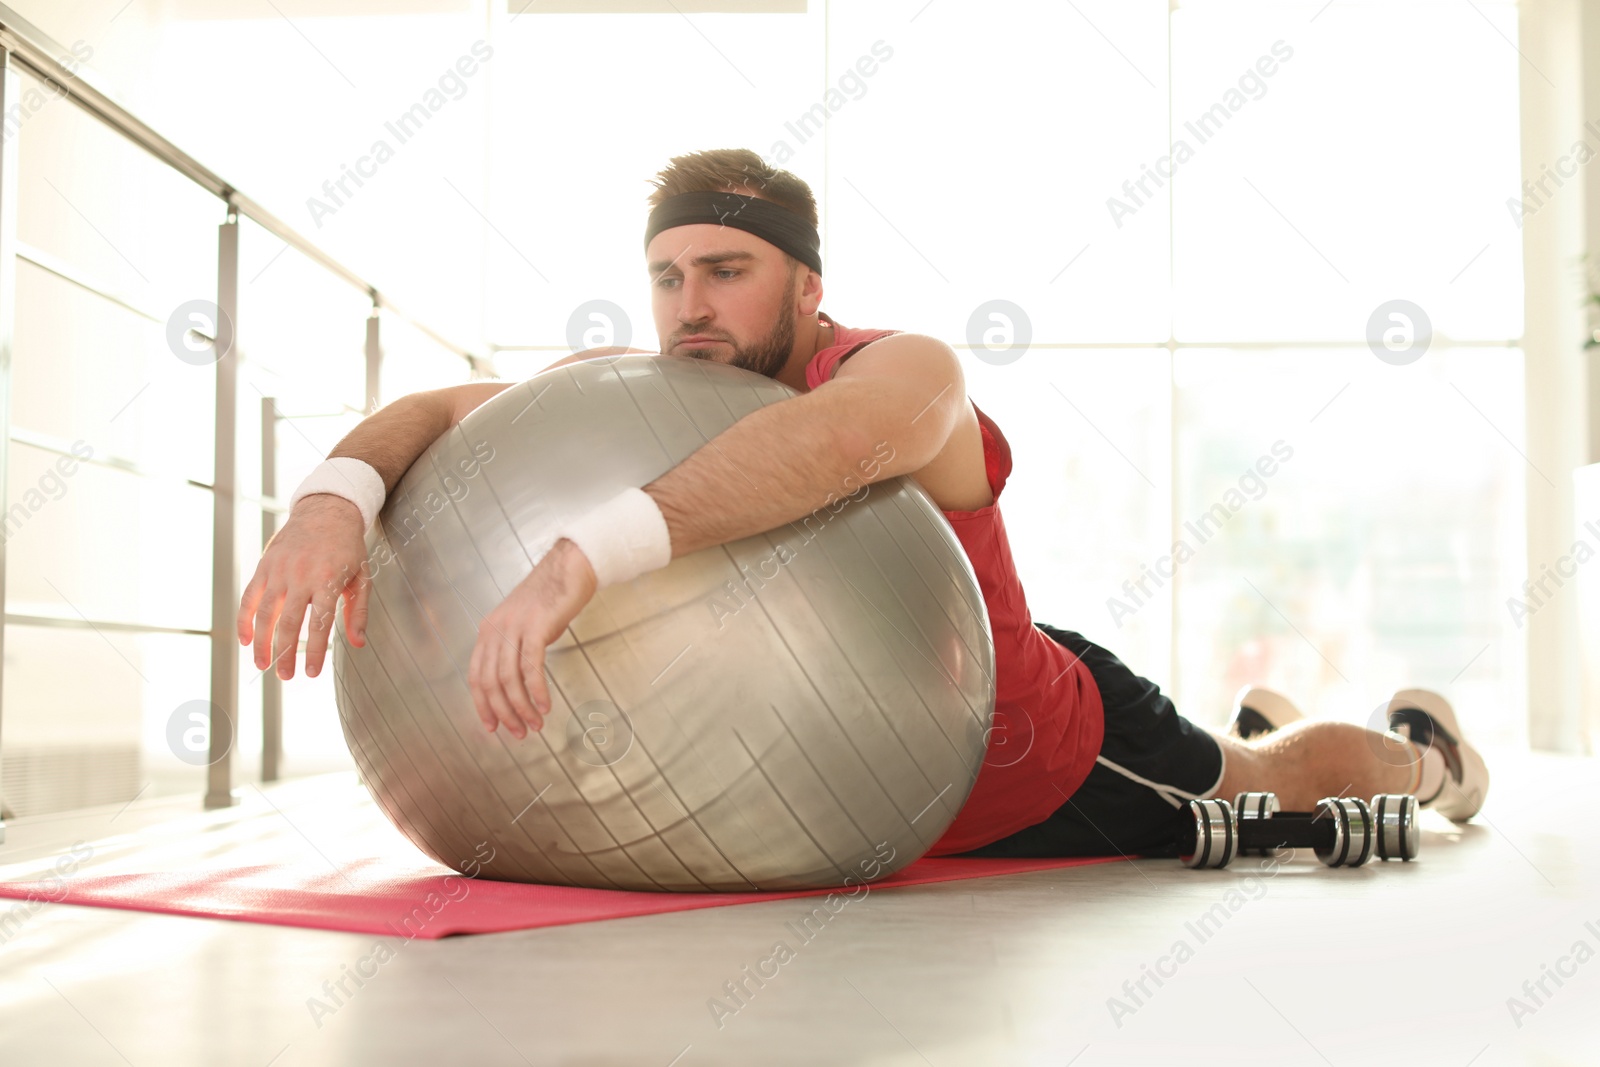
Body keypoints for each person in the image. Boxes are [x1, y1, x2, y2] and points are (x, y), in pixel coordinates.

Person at [236, 148, 1489, 861]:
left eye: (728, 272)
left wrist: (579, 559)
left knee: (1274, 779)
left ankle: (1425, 757)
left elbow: (823, 448)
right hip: (826, 791)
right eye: (669, 277)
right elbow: (444, 413)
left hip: (1031, 752)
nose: (690, 307)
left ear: (806, 283)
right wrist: (331, 504)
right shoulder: (636, 390)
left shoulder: (905, 375)